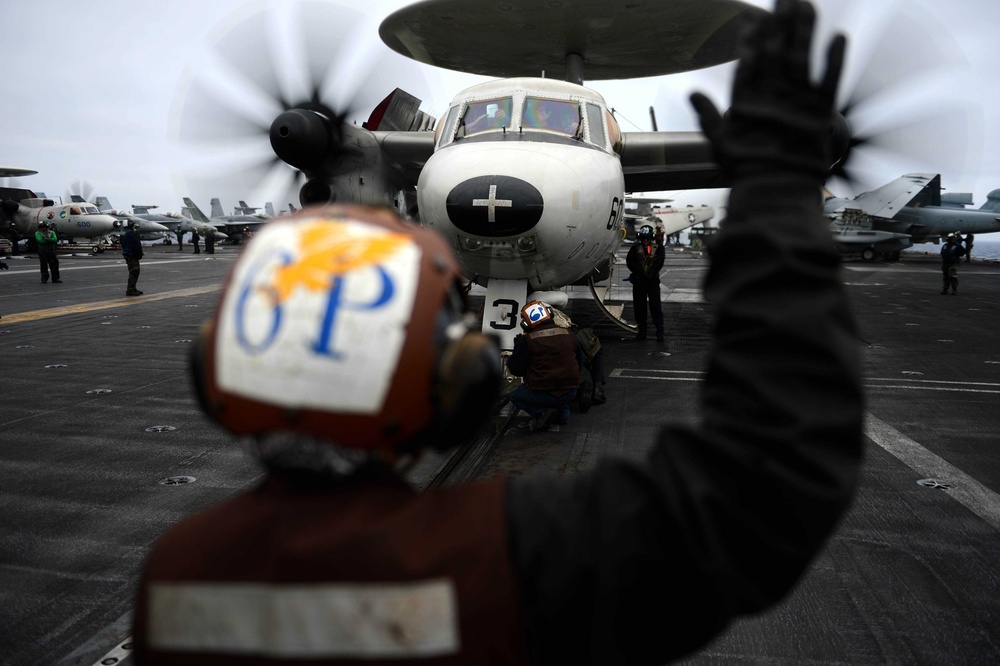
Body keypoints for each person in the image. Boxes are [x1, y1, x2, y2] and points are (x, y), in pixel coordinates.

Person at [131, 2, 863, 663]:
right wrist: (779, 185)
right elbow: (758, 502)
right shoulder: (504, 558)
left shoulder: (174, 572)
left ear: (215, 375)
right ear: (456, 387)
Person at [507, 300, 581, 430]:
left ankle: (541, 412)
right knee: (560, 394)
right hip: (570, 391)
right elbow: (580, 362)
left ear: (525, 324)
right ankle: (563, 414)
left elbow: (515, 369)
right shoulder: (570, 334)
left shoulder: (527, 340)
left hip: (541, 393)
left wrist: (518, 349)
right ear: (550, 314)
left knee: (515, 397)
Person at [626, 223, 665, 341]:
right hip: (639, 281)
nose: (646, 240)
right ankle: (642, 331)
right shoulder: (635, 248)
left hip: (652, 281)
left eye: (648, 238)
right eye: (644, 238)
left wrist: (652, 272)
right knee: (639, 308)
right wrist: (639, 272)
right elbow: (630, 262)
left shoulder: (657, 248)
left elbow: (660, 261)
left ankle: (660, 331)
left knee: (655, 307)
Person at [121, 219, 144, 296]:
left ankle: (133, 288)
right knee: (135, 271)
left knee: (132, 271)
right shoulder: (131, 233)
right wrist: (139, 253)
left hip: (126, 254)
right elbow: (135, 244)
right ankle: (130, 289)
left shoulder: (122, 232)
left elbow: (121, 242)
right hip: (132, 254)